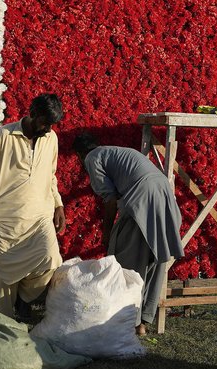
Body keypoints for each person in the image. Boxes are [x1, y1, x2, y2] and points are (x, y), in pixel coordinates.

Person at [73, 133, 185, 336]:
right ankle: (143, 321)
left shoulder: (92, 157)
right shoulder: (114, 152)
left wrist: (106, 233)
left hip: (143, 195)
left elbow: (109, 199)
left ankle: (129, 321)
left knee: (128, 261)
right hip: (164, 192)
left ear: (81, 154)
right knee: (156, 258)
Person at [0, 94, 67, 318]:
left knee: (50, 258)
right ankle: (3, 325)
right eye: (44, 122)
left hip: (40, 216)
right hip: (5, 218)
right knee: (0, 280)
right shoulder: (4, 135)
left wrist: (59, 205)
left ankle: (25, 298)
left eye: (52, 124)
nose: (48, 128)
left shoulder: (51, 138)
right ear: (32, 113)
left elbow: (51, 175)